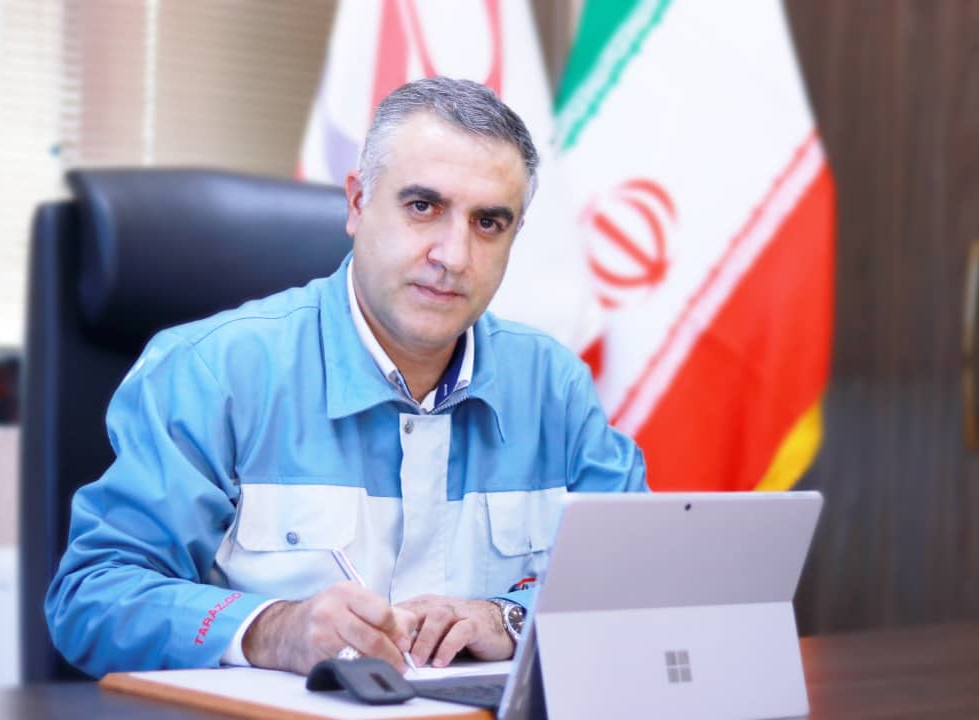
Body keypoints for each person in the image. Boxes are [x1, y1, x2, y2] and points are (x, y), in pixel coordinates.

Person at [46, 77, 646, 679]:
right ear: (357, 204)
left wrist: (510, 618)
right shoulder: (213, 372)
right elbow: (93, 596)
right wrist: (273, 630)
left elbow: (641, 583)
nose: (454, 256)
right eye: (423, 207)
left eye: (488, 222)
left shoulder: (555, 388)